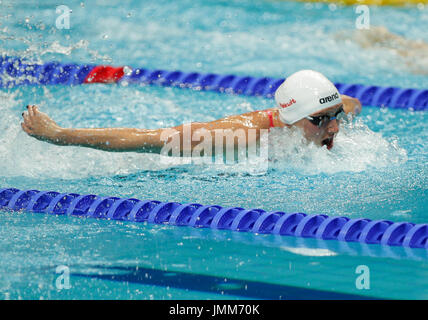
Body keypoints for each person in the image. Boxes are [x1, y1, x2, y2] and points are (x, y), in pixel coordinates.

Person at [21, 70, 362, 157]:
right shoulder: (237, 136)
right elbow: (145, 140)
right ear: (289, 118)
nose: (334, 127)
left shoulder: (328, 117)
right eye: (319, 120)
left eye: (335, 116)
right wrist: (60, 135)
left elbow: (352, 103)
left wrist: (337, 110)